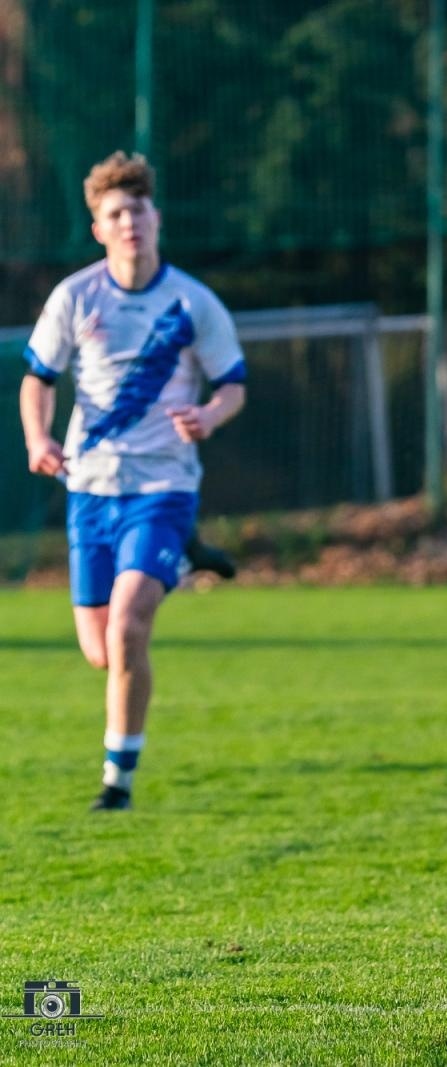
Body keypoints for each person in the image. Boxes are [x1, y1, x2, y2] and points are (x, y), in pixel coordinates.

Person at [19, 150, 247, 811]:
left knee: (126, 629)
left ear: (157, 217)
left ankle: (116, 779)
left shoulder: (193, 301)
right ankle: (186, 556)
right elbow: (38, 377)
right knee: (100, 651)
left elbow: (232, 384)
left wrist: (206, 414)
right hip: (90, 490)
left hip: (163, 487)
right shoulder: (75, 296)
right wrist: (39, 438)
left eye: (138, 209)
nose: (129, 222)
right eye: (115, 213)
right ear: (98, 226)